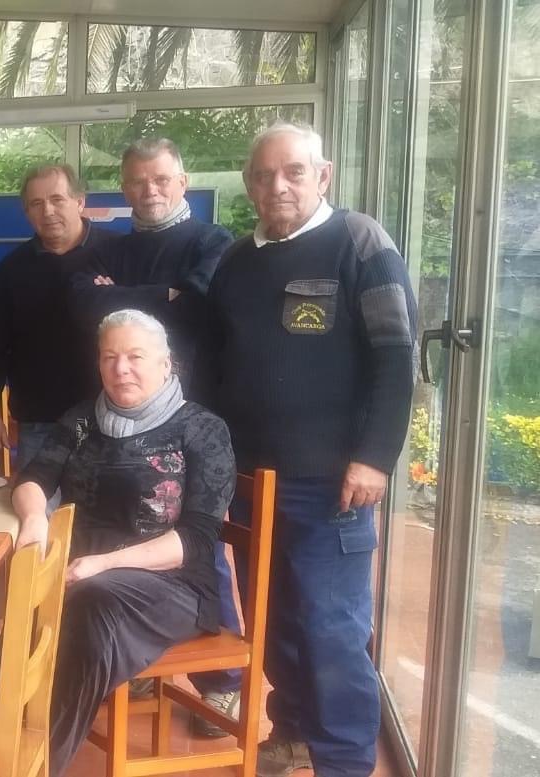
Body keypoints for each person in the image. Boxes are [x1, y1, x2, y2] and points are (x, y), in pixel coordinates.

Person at [205, 123, 417, 777]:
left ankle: (345, 759)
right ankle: (294, 730)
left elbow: (396, 356)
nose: (278, 185)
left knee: (331, 625)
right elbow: (215, 364)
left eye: (293, 171)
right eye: (264, 174)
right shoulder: (235, 261)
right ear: (249, 184)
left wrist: (375, 455)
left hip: (332, 483)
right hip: (250, 480)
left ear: (321, 176)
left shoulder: (359, 242)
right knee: (273, 620)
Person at [11, 309, 236, 777]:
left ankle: (35, 765)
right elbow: (34, 478)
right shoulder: (81, 420)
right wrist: (34, 518)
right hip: (81, 578)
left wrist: (102, 564)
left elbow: (195, 541)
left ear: (166, 364)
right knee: (33, 610)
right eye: (109, 357)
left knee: (89, 605)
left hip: (173, 585)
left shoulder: (202, 429)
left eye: (135, 356)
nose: (121, 369)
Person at [0, 164, 119, 470]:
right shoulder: (12, 270)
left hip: (114, 418)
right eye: (36, 203)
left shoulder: (118, 254)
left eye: (57, 199)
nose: (48, 211)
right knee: (35, 500)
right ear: (27, 213)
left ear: (79, 201)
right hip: (40, 422)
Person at [70, 138, 233, 398]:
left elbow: (196, 308)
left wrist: (114, 295)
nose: (150, 191)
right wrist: (167, 294)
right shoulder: (108, 251)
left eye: (161, 179)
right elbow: (84, 308)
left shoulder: (213, 241)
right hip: (118, 401)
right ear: (125, 190)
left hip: (191, 401)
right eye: (138, 182)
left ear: (183, 182)